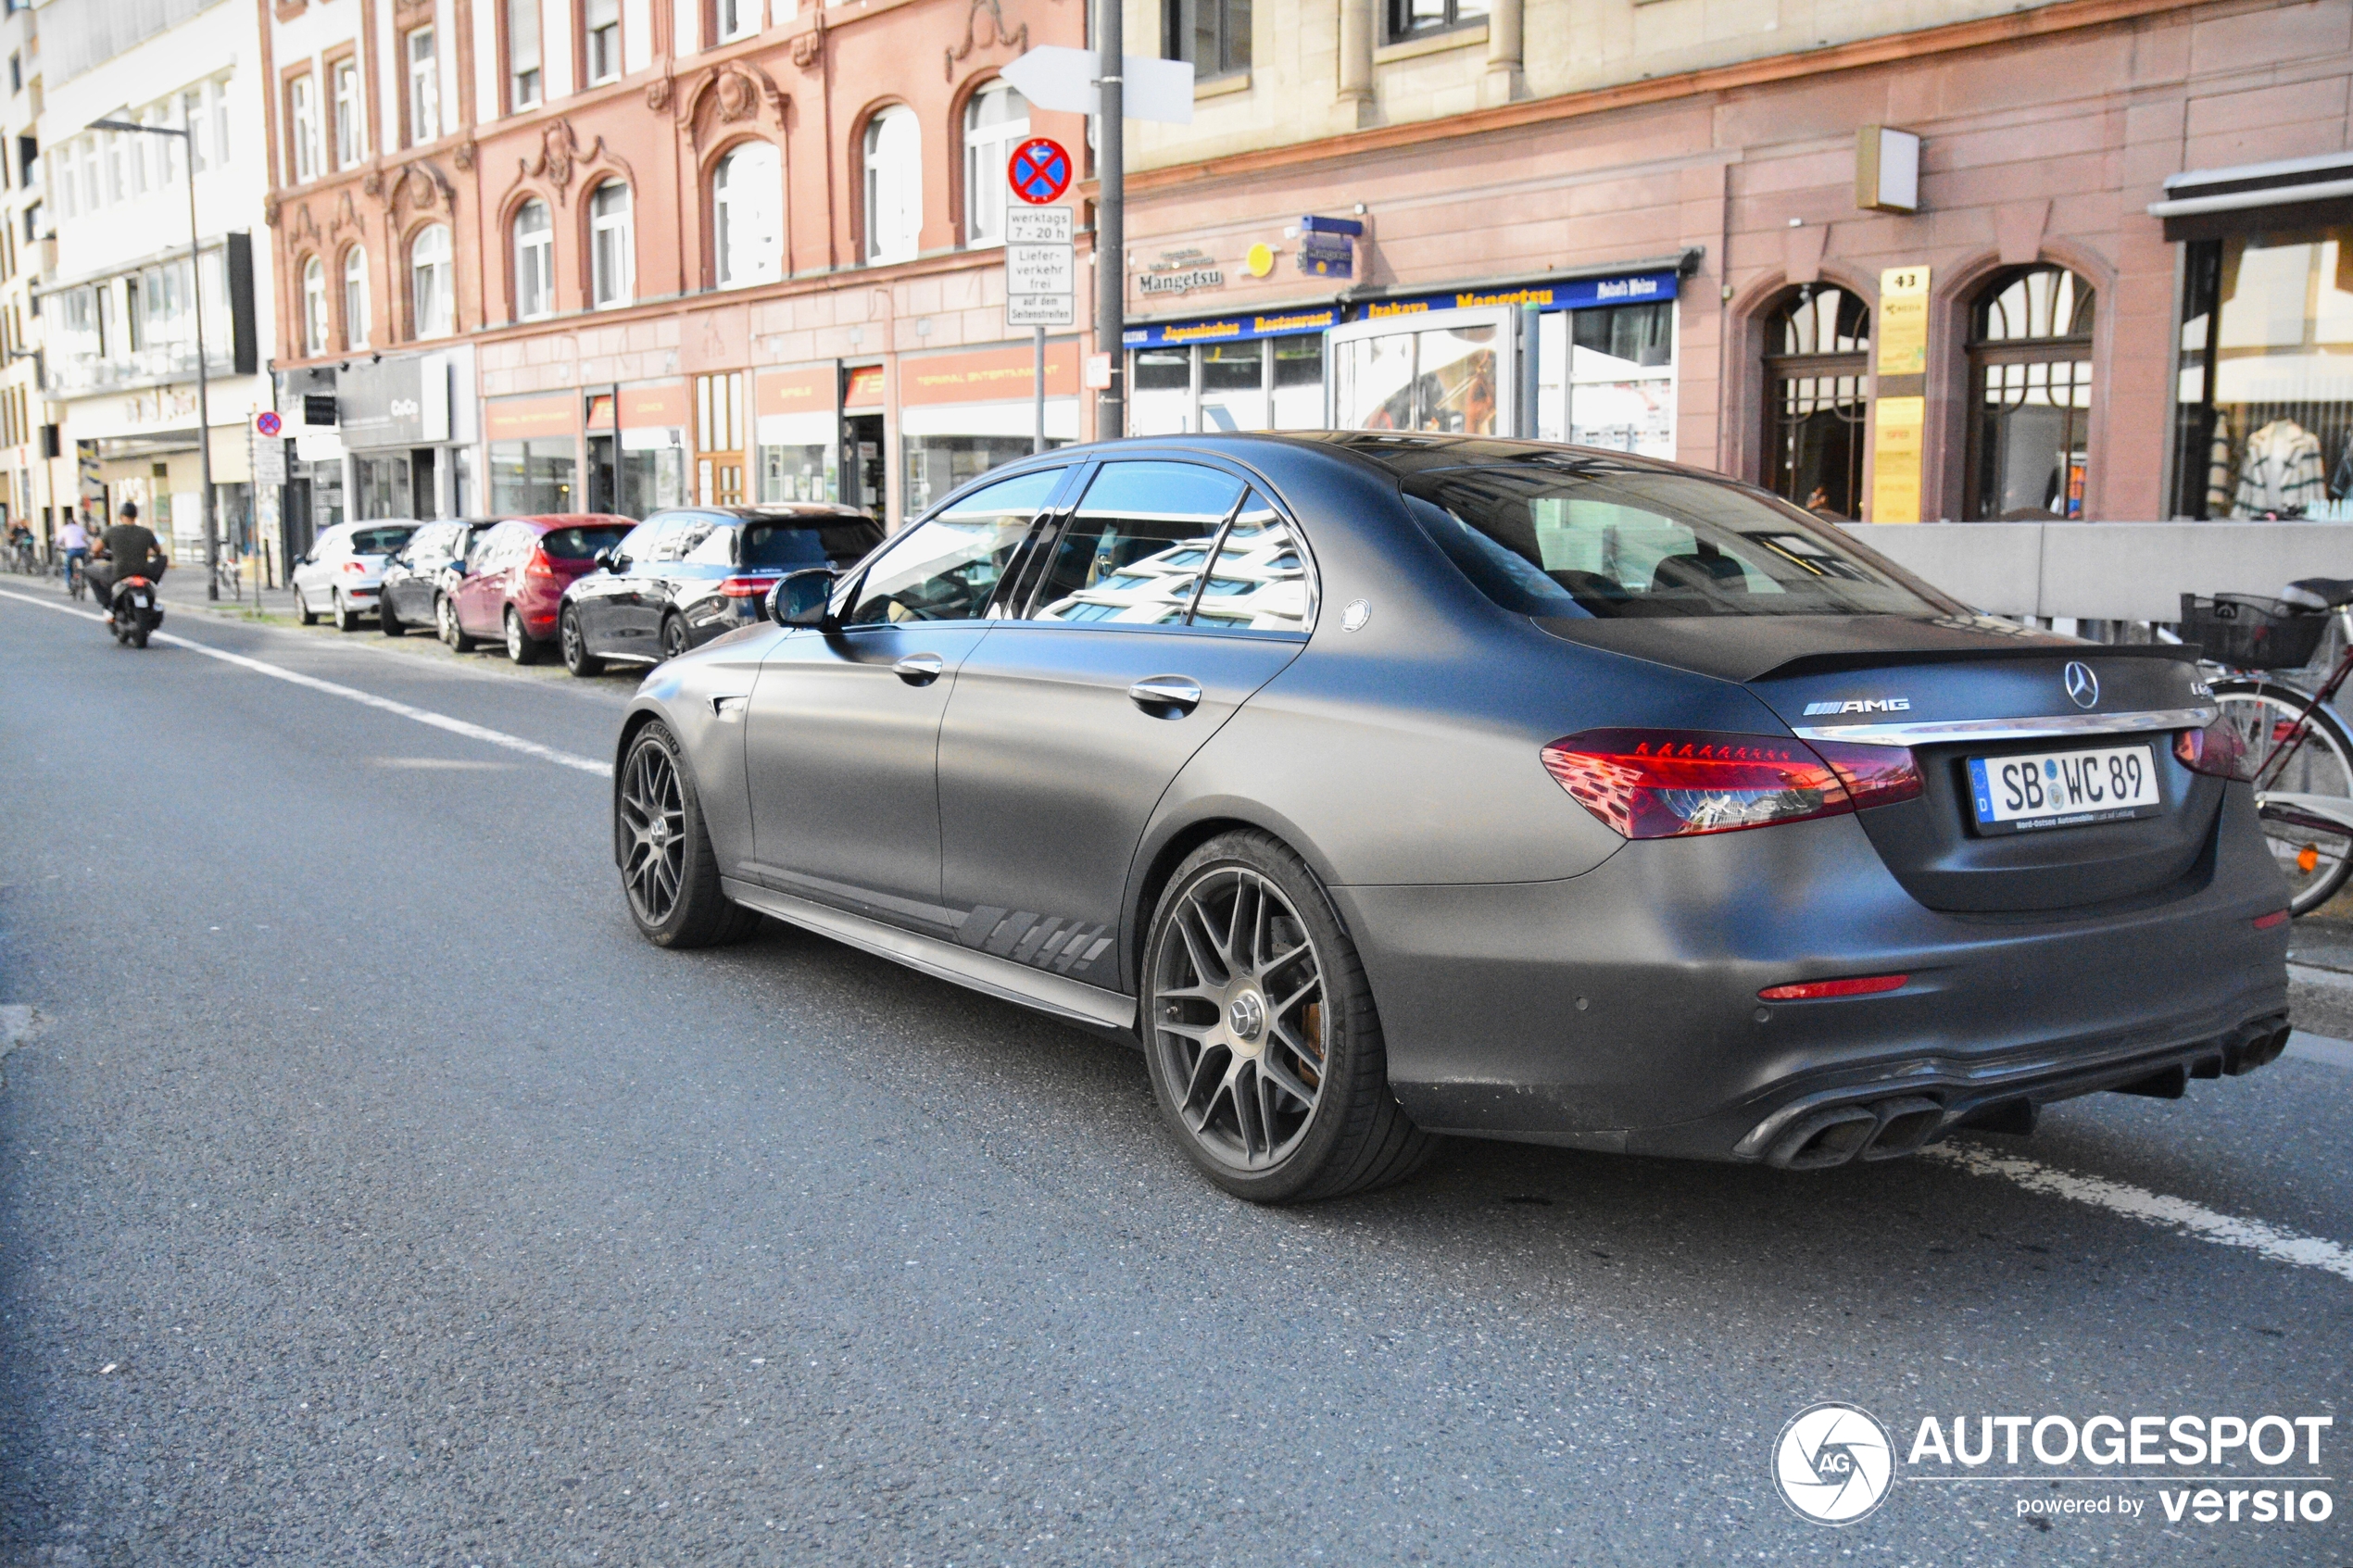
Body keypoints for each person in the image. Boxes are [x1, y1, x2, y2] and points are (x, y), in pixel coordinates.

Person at [87, 501, 166, 614]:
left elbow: (95, 550)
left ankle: (106, 604)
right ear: (135, 515)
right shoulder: (146, 532)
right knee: (164, 558)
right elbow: (158, 551)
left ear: (121, 516)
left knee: (89, 570)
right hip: (143, 571)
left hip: (119, 572)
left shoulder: (111, 531)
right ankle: (155, 583)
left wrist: (97, 555)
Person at [57, 512, 89, 593]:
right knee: (86, 566)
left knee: (68, 567)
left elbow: (59, 540)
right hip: (82, 549)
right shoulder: (80, 528)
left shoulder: (65, 528)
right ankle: (84, 580)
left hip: (71, 550)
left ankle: (69, 586)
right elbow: (85, 538)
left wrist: (58, 546)